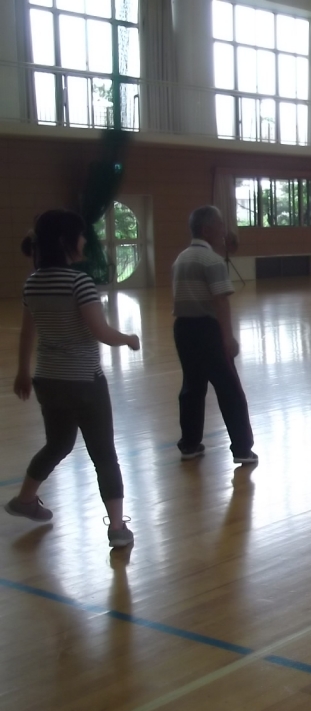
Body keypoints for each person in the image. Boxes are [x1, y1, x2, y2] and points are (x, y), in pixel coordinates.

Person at [7, 210, 140, 547]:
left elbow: (27, 333)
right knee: (104, 454)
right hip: (84, 382)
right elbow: (100, 331)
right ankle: (117, 528)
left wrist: (23, 371)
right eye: (81, 236)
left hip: (47, 380)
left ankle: (25, 499)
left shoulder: (33, 282)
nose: (84, 241)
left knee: (58, 443)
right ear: (66, 241)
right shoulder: (79, 283)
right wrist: (128, 338)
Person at [172, 206, 257, 464]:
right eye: (220, 226)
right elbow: (220, 301)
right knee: (229, 388)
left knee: (192, 386)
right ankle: (242, 449)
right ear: (207, 229)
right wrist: (227, 337)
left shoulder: (181, 259)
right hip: (208, 330)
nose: (223, 231)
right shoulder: (212, 261)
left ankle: (189, 444)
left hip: (183, 329)